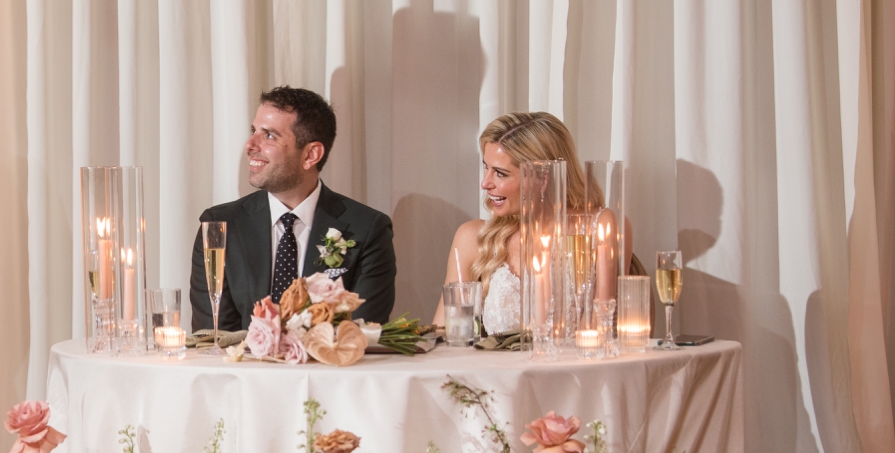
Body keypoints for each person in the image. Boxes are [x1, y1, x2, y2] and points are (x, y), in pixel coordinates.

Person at [190, 87, 396, 333]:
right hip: (242, 370)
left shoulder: (367, 229)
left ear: (311, 154)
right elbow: (215, 336)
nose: (250, 145)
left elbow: (359, 334)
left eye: (269, 136)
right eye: (254, 131)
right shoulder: (218, 224)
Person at [435, 111, 627, 333]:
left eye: (500, 173)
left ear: (542, 178)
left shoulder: (598, 227)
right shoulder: (473, 237)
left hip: (572, 366)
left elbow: (601, 329)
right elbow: (444, 334)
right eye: (486, 167)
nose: (485, 183)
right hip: (493, 368)